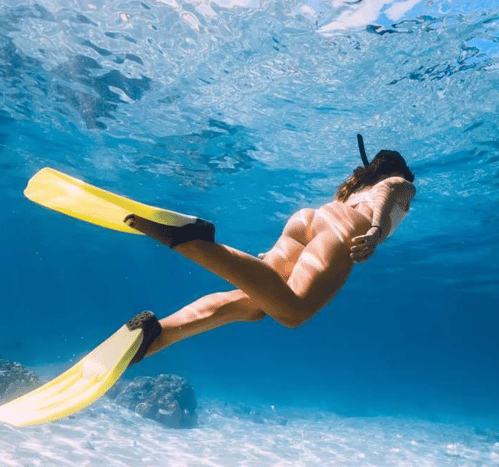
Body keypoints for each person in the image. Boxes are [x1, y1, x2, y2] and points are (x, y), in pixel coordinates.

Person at [123, 140, 416, 364]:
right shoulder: (402, 184)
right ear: (398, 171)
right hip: (345, 227)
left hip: (309, 220)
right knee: (293, 312)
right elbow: (388, 190)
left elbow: (337, 214)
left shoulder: (355, 188)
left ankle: (156, 334)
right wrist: (376, 231)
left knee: (253, 305)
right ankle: (192, 241)